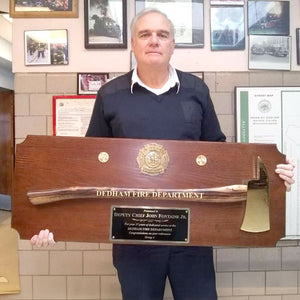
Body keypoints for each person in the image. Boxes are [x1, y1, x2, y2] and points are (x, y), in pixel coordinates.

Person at [31, 8, 295, 300]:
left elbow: (221, 157)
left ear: (172, 45)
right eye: (145, 34)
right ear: (133, 43)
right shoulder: (109, 94)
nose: (153, 41)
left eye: (162, 35)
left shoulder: (197, 90)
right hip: (133, 238)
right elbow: (89, 165)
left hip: (193, 235)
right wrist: (51, 221)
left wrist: (271, 174)